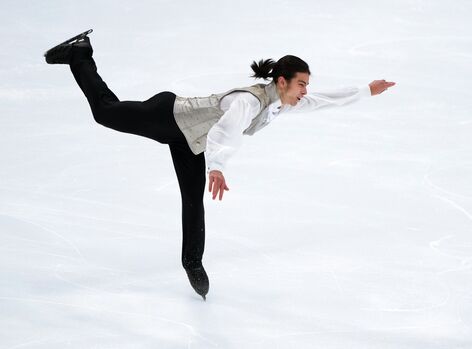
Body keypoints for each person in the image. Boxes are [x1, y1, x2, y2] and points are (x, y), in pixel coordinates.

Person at [44, 30, 396, 301]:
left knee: (192, 200)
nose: (304, 90)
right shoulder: (248, 100)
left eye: (306, 84)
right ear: (282, 81)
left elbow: (319, 102)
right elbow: (225, 133)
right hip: (169, 117)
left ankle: (192, 263)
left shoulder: (279, 102)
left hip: (190, 141)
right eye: (301, 83)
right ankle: (80, 52)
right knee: (105, 112)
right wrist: (217, 167)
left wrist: (366, 91)